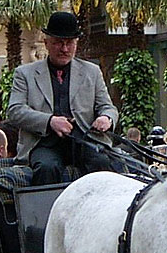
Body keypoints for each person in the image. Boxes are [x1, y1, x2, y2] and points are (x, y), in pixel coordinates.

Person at [7, 11, 118, 185]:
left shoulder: (92, 71)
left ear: (76, 44)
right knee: (46, 167)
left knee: (102, 164)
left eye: (69, 43)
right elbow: (15, 111)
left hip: (84, 141)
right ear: (46, 43)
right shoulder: (25, 74)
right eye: (58, 43)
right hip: (43, 144)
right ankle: (45, 212)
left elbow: (107, 107)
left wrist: (107, 118)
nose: (64, 49)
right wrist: (49, 121)